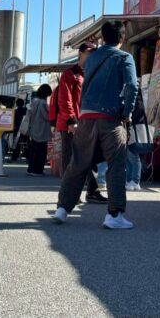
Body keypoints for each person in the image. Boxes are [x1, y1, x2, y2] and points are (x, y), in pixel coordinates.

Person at [53, 21, 138, 230]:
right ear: (122, 38)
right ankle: (114, 215)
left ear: (103, 38)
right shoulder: (124, 57)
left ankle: (62, 208)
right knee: (116, 165)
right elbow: (132, 86)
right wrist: (127, 113)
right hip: (110, 118)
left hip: (86, 118)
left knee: (78, 163)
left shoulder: (92, 59)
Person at [53, 43, 106, 204]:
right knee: (70, 160)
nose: (91, 55)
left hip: (87, 124)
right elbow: (65, 99)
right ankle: (68, 195)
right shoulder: (70, 74)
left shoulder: (92, 74)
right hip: (70, 124)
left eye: (94, 53)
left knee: (87, 159)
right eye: (89, 52)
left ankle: (92, 191)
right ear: (80, 53)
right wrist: (71, 120)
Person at [26, 84, 53, 176]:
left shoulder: (34, 102)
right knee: (41, 151)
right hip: (42, 130)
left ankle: (30, 169)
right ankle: (37, 170)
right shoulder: (43, 103)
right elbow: (47, 116)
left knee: (33, 150)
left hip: (33, 129)